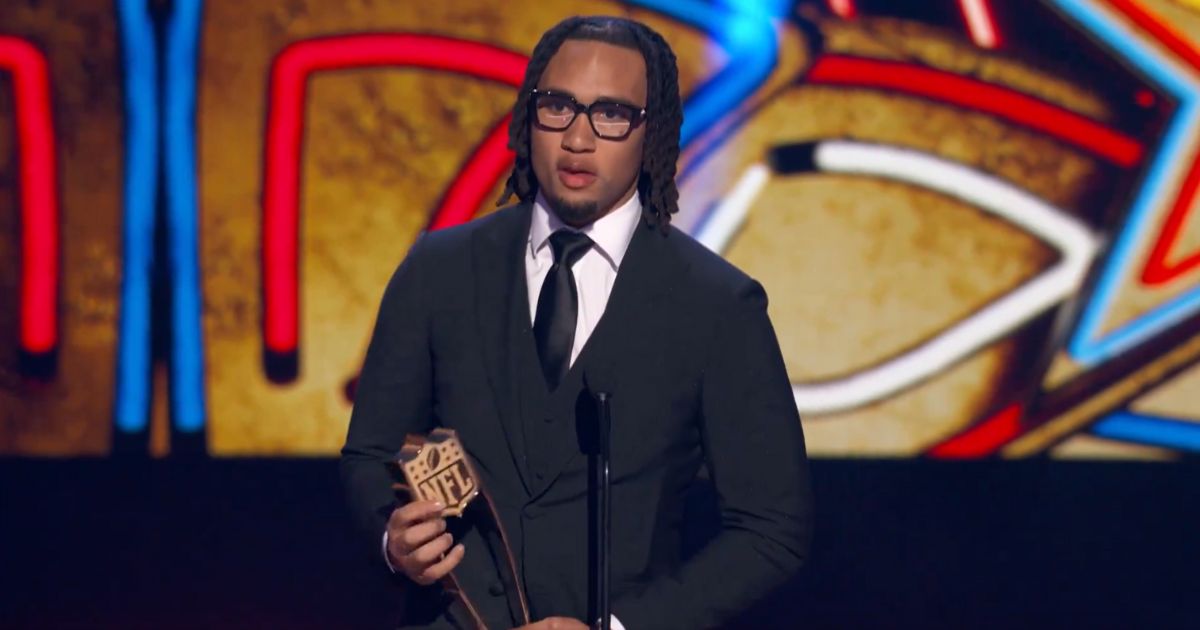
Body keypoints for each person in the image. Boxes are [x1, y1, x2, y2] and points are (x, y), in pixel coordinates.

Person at [341, 15, 812, 630]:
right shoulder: (439, 269)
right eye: (557, 107)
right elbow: (371, 453)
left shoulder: (718, 306)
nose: (578, 139)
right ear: (527, 117)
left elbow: (773, 530)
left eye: (612, 113)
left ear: (653, 132)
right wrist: (392, 540)